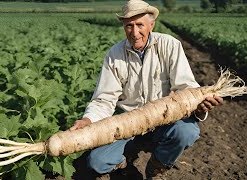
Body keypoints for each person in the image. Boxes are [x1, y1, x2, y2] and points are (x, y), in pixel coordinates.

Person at [70, 0, 223, 178]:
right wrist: (88, 120)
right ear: (123, 27)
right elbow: (104, 99)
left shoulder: (170, 45)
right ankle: (123, 164)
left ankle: (158, 165)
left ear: (152, 24)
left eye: (139, 25)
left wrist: (199, 104)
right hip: (128, 126)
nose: (135, 33)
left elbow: (185, 87)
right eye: (129, 26)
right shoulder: (114, 55)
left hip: (165, 122)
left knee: (186, 131)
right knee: (97, 162)